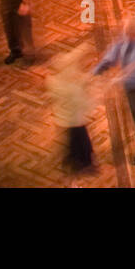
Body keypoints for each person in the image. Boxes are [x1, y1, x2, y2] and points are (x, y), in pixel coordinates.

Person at [94, 16, 135, 166]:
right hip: (128, 87)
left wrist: (119, 80)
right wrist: (101, 67)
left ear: (134, 33)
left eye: (127, 31)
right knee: (130, 114)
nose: (124, 33)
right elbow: (115, 51)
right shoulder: (126, 38)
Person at [46, 45, 98, 181]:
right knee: (80, 140)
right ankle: (85, 162)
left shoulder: (52, 81)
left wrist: (85, 47)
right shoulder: (68, 88)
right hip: (73, 119)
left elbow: (72, 56)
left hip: (63, 119)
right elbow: (82, 99)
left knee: (74, 140)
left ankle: (75, 159)